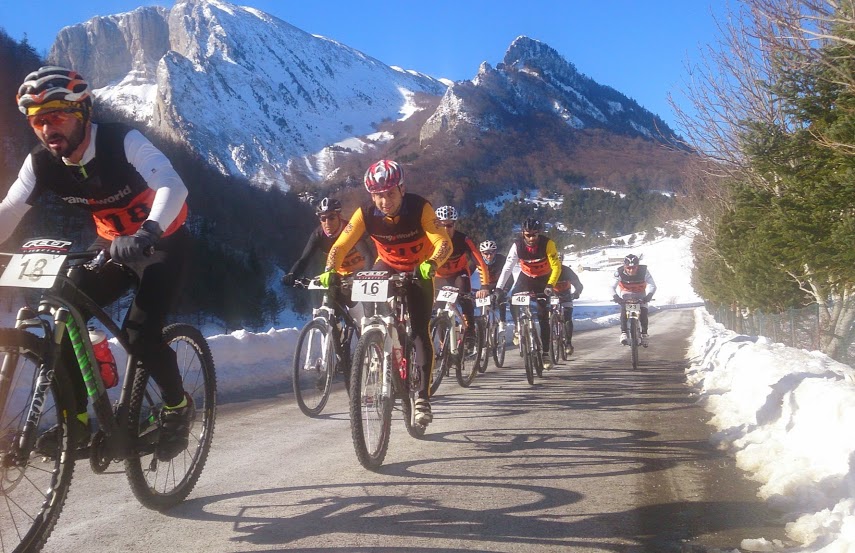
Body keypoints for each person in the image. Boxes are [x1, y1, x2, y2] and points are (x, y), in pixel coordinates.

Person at [0, 66, 194, 461]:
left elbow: (172, 184)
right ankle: (76, 420)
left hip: (162, 241)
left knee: (140, 335)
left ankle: (177, 408)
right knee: (63, 310)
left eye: (57, 115)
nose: (47, 128)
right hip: (110, 245)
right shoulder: (41, 163)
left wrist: (149, 231)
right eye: (38, 120)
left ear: (83, 111)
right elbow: (10, 209)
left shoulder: (121, 140)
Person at [320, 159, 451, 425]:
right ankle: (379, 350)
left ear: (402, 189)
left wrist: (432, 264)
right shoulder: (365, 213)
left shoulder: (420, 207)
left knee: (419, 330)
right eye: (378, 195)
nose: (384, 201)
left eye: (390, 193)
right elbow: (341, 245)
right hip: (388, 265)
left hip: (420, 268)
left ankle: (422, 398)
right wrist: (330, 269)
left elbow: (444, 243)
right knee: (372, 314)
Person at [494, 217, 562, 369]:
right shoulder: (517, 246)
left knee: (543, 316)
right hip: (526, 277)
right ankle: (518, 328)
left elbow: (556, 267)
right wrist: (499, 288)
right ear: (523, 234)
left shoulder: (548, 244)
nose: (531, 238)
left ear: (539, 233)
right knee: (513, 299)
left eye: (534, 235)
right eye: (528, 235)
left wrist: (550, 285)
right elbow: (508, 267)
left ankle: (545, 354)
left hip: (544, 279)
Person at [432, 205, 491, 343]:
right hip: (439, 277)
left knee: (465, 297)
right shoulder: (431, 239)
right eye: (442, 225)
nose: (446, 229)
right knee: (440, 310)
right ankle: (443, 344)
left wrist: (484, 286)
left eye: (449, 225)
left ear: (455, 224)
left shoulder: (463, 239)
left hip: (459, 274)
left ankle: (470, 331)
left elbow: (480, 262)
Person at [611, 253, 657, 347]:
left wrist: (649, 296)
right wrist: (616, 297)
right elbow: (611, 287)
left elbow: (653, 285)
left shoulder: (644, 271)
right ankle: (624, 332)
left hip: (640, 293)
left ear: (637, 266)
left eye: (634, 268)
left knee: (643, 311)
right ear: (624, 267)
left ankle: (644, 334)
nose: (631, 270)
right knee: (624, 309)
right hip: (626, 293)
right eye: (628, 268)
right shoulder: (619, 272)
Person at [477, 240, 513, 332]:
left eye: (491, 253)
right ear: (481, 253)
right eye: (486, 253)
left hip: (501, 284)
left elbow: (510, 277)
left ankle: (502, 321)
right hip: (487, 285)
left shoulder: (501, 259)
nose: (489, 256)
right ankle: (483, 319)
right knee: (482, 299)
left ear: (495, 252)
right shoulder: (478, 260)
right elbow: (468, 272)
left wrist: (505, 291)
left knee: (500, 297)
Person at [553, 261, 583, 356]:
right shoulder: (546, 270)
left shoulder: (567, 270)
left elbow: (578, 285)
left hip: (566, 295)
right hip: (551, 295)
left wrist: (577, 293)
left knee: (567, 317)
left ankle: (568, 343)